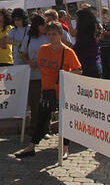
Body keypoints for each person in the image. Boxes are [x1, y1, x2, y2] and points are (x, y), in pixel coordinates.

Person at [15, 21, 82, 159]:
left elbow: (78, 70)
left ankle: (64, 149)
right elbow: (40, 65)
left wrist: (64, 76)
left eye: (54, 34)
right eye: (49, 34)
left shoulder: (68, 52)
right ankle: (31, 147)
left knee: (64, 121)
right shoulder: (43, 49)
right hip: (46, 91)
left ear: (60, 35)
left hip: (62, 92)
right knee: (41, 119)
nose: (51, 37)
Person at [20, 14, 49, 132]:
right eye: (43, 25)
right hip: (33, 75)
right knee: (34, 102)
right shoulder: (29, 37)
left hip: (46, 74)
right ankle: (35, 127)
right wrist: (28, 61)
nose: (45, 27)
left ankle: (45, 128)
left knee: (46, 102)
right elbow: (23, 54)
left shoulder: (48, 36)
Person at [72, 8, 102, 78]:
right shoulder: (93, 31)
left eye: (77, 19)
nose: (76, 21)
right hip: (95, 66)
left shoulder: (85, 35)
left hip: (87, 68)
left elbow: (77, 50)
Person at [98, 8, 110, 79]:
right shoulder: (100, 25)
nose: (103, 18)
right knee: (104, 69)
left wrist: (106, 33)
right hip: (102, 49)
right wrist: (101, 35)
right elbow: (100, 38)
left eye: (105, 16)